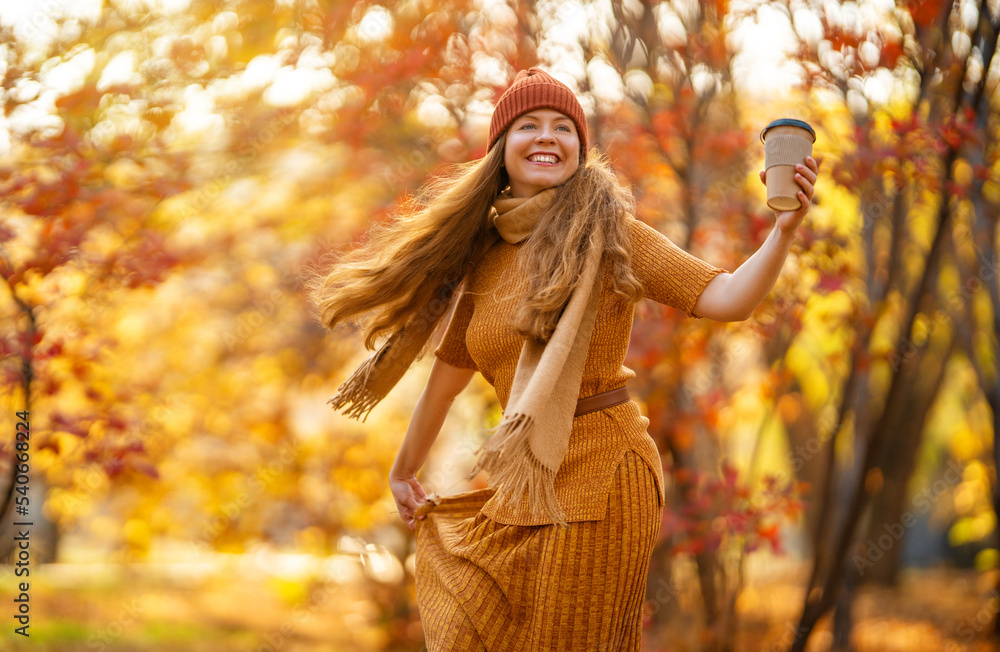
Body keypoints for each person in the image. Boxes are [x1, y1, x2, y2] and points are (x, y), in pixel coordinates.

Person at [313, 68, 818, 651]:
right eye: (528, 125)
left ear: (581, 148)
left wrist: (784, 230)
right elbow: (444, 385)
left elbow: (727, 298)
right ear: (501, 149)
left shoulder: (612, 234)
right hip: (525, 480)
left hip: (606, 468)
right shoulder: (484, 260)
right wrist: (403, 470)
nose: (546, 136)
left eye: (563, 127)